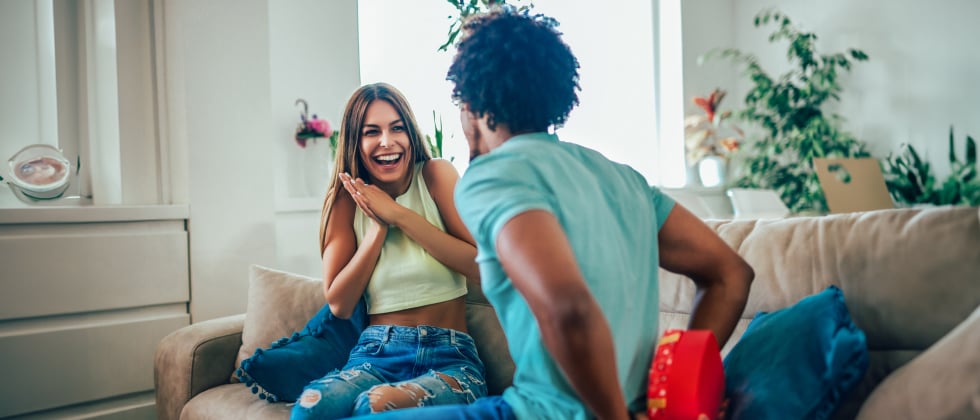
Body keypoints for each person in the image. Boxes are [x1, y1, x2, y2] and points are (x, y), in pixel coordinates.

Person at [347, 7, 755, 420]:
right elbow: (730, 275)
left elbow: (569, 307)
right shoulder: (623, 178)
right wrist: (671, 391)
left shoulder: (491, 177)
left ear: (469, 101)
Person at [290, 82, 487, 419]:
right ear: (357, 141)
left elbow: (481, 265)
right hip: (375, 354)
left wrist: (399, 215)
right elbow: (339, 302)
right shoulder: (345, 201)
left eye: (397, 128)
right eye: (372, 132)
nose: (387, 141)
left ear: (410, 133)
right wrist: (377, 230)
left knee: (377, 405)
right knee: (311, 406)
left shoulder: (436, 176)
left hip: (450, 359)